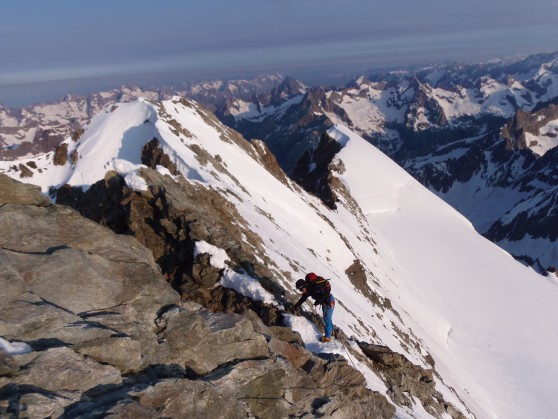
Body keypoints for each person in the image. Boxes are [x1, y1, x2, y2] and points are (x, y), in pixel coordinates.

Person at [292, 272, 335, 342]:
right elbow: (303, 298)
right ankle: (331, 331)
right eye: (300, 290)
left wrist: (317, 302)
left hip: (329, 301)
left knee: (327, 318)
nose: (302, 291)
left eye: (302, 289)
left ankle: (328, 337)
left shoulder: (315, 287)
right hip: (324, 301)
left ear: (304, 286)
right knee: (327, 318)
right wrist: (296, 306)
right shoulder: (308, 290)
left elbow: (326, 293)